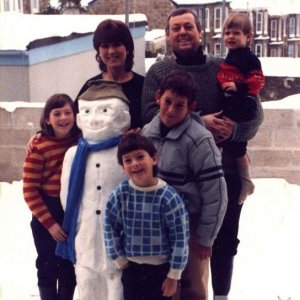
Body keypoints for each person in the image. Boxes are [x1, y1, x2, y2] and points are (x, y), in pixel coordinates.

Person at [141, 8, 264, 299]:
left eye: (188, 27)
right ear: (168, 35)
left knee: (223, 244)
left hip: (225, 171)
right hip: (174, 180)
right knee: (174, 250)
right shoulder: (158, 72)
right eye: (176, 28)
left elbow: (255, 115)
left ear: (200, 32)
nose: (182, 32)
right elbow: (147, 114)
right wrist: (198, 120)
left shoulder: (224, 67)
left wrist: (232, 131)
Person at [142, 70, 228, 300]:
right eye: (167, 102)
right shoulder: (147, 133)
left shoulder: (199, 140)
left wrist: (205, 238)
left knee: (191, 286)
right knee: (163, 285)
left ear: (191, 106)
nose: (170, 110)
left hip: (189, 224)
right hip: (156, 225)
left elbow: (216, 193)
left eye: (179, 106)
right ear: (158, 97)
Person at [55, 81, 132, 300]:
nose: (94, 118)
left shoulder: (128, 152)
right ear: (79, 119)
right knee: (87, 286)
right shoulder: (73, 155)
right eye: (87, 112)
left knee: (117, 288)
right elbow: (66, 196)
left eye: (105, 111)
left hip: (118, 240)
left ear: (123, 117)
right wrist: (78, 224)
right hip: (86, 237)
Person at [103, 132, 189, 300]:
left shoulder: (168, 197)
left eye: (140, 157)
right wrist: (119, 258)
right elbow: (109, 227)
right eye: (128, 160)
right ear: (122, 167)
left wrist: (173, 275)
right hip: (131, 269)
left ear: (154, 159)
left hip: (161, 271)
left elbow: (180, 237)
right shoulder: (121, 194)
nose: (135, 164)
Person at [23, 94, 79, 300]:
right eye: (57, 114)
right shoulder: (38, 147)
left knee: (69, 265)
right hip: (48, 210)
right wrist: (50, 224)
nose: (63, 118)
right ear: (47, 119)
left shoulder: (79, 139)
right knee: (47, 265)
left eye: (68, 112)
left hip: (71, 210)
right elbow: (29, 190)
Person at [217, 12, 265, 204]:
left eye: (236, 33)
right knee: (234, 146)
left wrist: (239, 87)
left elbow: (258, 81)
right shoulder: (232, 55)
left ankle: (245, 181)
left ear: (248, 36)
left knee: (236, 146)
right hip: (234, 102)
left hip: (243, 104)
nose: (230, 37)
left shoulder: (249, 58)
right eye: (227, 33)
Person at [76, 18, 144, 129]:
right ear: (98, 51)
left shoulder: (143, 85)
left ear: (127, 48)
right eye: (105, 46)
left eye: (116, 44)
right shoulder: (91, 87)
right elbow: (72, 123)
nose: (111, 51)